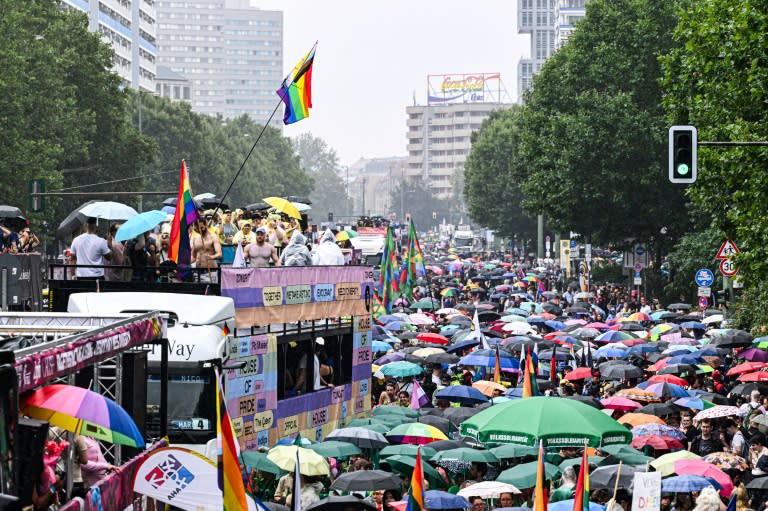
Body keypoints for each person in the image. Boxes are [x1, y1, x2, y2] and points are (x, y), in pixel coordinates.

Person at [191, 216, 222, 281]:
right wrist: (184, 263)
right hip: (197, 273)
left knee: (209, 290)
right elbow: (193, 257)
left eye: (201, 227)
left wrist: (211, 257)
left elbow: (219, 254)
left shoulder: (213, 237)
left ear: (206, 225)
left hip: (210, 273)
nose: (199, 230)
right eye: (197, 228)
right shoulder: (195, 238)